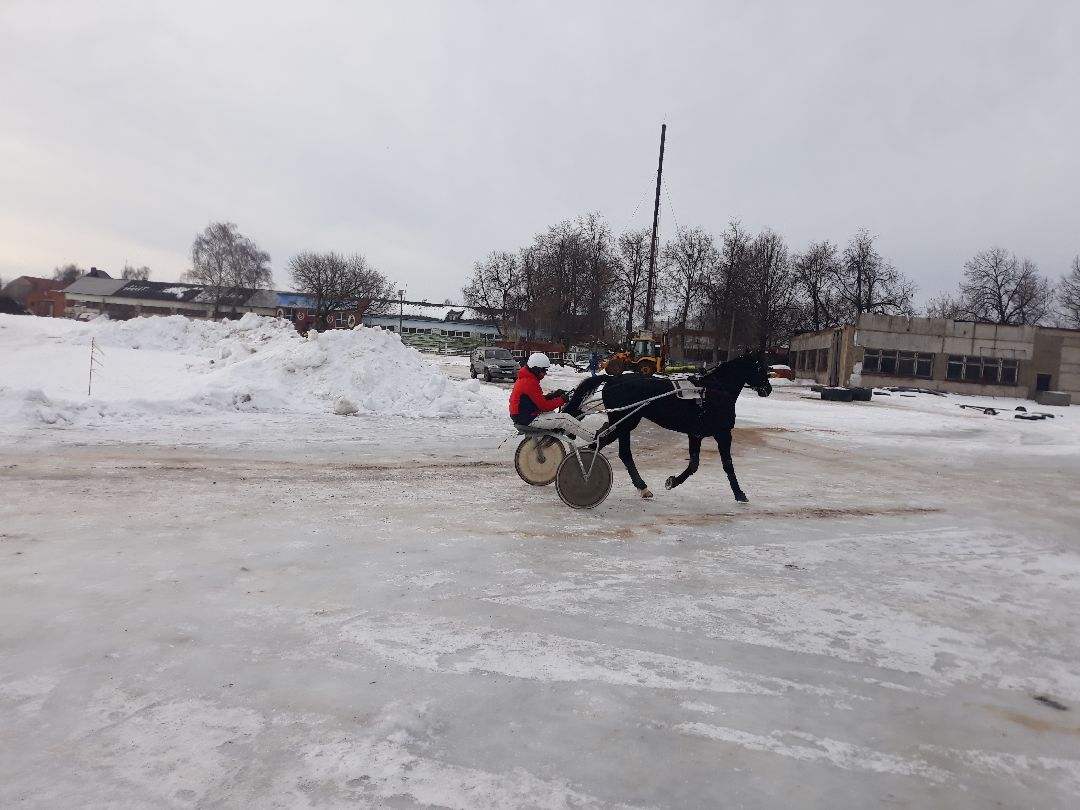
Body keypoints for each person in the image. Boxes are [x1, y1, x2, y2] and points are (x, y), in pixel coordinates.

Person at [509, 352, 596, 441]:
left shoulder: (527, 379)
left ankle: (568, 431)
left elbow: (535, 400)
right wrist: (562, 400)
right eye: (544, 370)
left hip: (523, 416)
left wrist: (553, 395)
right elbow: (544, 406)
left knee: (555, 416)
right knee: (564, 418)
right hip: (527, 419)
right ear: (536, 369)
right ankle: (595, 437)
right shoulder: (529, 383)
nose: (545, 373)